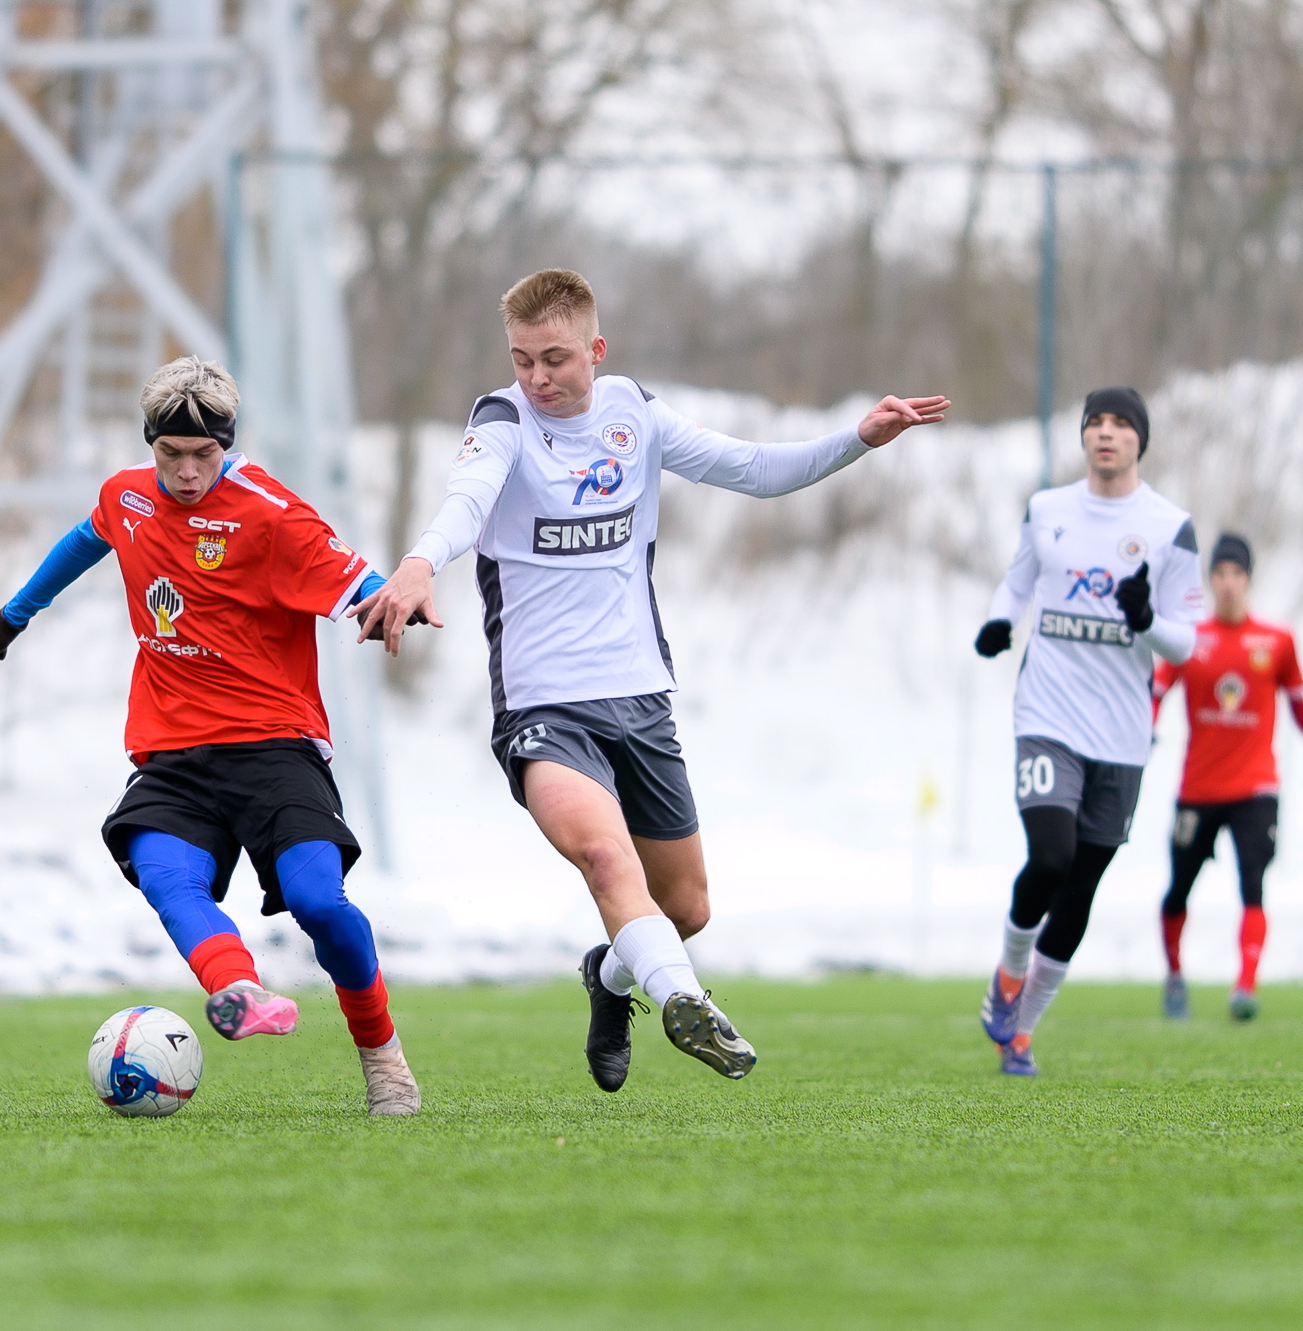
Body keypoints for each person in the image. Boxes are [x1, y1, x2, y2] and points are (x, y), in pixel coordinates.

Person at [354, 268, 948, 1091]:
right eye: (522, 360)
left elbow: (755, 469)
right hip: (542, 706)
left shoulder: (635, 414)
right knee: (606, 858)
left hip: (638, 696)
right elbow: (467, 498)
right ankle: (684, 1000)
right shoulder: (502, 422)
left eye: (555, 358)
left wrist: (858, 438)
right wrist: (420, 563)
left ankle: (609, 978)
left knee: (687, 906)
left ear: (596, 350)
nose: (537, 378)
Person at [0, 356, 421, 1116]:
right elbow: (85, 538)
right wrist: (11, 619)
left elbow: (351, 576)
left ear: (227, 443)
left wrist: (389, 600)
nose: (189, 471)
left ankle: (385, 1061)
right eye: (171, 454)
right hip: (174, 753)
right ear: (150, 444)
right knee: (164, 873)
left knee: (319, 903)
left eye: (205, 454)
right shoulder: (128, 495)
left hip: (275, 745)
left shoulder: (273, 514)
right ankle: (238, 988)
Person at [971, 386, 1202, 1076]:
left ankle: (1021, 1033)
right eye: (1095, 422)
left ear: (1140, 440)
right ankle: (1008, 973)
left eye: (1121, 423)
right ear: (1082, 437)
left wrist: (1145, 620)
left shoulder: (1170, 526)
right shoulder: (1048, 509)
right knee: (1050, 856)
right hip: (1048, 715)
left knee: (1080, 887)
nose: (1106, 433)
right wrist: (999, 622)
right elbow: (1017, 584)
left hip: (1123, 733)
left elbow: (1186, 641)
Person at [1152, 532, 1303, 1024]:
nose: (1229, 583)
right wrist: (1145, 730)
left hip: (1256, 786)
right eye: (1221, 573)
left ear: (1248, 579)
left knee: (1253, 881)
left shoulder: (1276, 641)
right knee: (1178, 888)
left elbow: (1299, 704)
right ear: (1210, 580)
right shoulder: (1189, 638)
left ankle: (1245, 986)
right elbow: (1157, 690)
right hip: (1198, 788)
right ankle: (1175, 975)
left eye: (1237, 573)